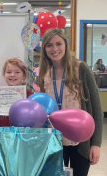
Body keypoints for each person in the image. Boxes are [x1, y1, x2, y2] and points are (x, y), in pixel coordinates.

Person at [37, 28, 103, 176]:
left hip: (80, 140)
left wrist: (96, 144)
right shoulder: (42, 73)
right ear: (44, 49)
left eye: (58, 44)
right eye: (49, 45)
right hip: (53, 140)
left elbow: (96, 108)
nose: (55, 49)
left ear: (66, 45)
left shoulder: (81, 68)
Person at [0, 57, 32, 133]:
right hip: (1, 141)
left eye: (17, 72)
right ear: (4, 75)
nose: (12, 75)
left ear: (24, 76)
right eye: (8, 72)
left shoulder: (31, 97)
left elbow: (36, 126)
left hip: (23, 140)